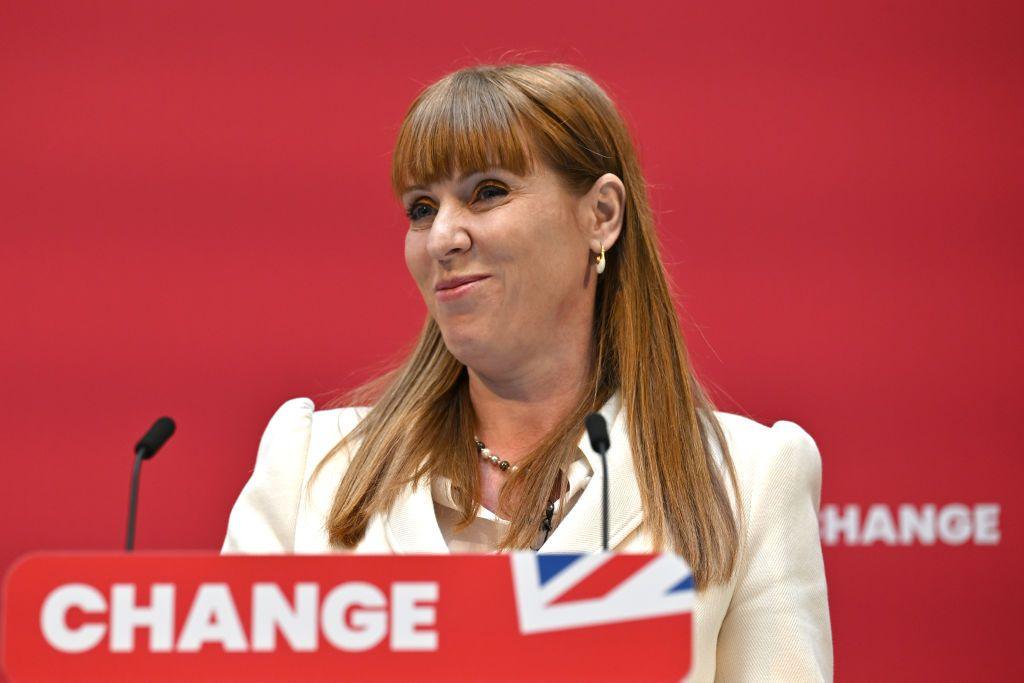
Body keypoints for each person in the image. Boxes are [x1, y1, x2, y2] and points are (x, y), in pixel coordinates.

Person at [221, 62, 832, 680]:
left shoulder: (749, 480)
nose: (442, 238)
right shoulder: (308, 466)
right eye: (422, 208)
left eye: (487, 192)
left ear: (601, 215)